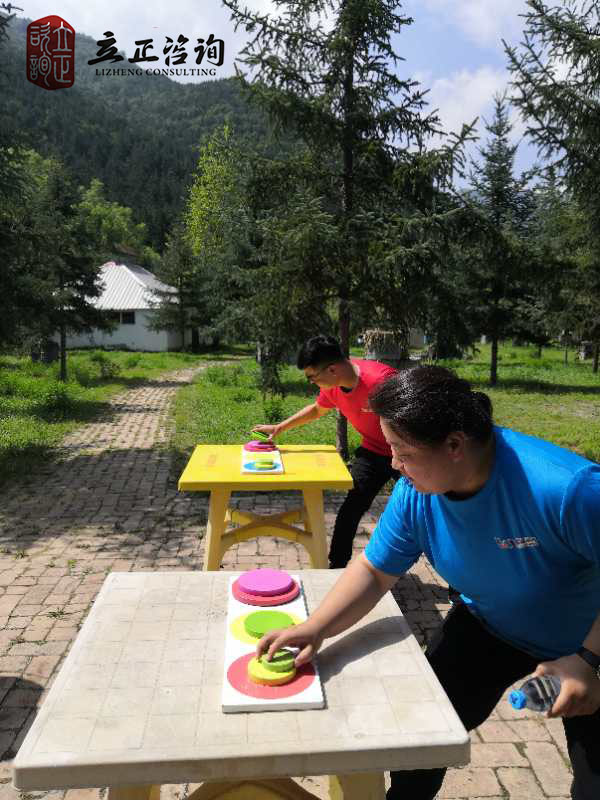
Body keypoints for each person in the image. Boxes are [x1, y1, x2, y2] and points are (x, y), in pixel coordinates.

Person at [256, 365, 600, 800]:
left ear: (455, 445)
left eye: (402, 451)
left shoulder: (567, 489)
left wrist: (586, 659)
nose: (393, 465)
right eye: (390, 449)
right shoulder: (415, 494)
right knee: (420, 743)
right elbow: (374, 571)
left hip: (586, 640)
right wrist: (315, 627)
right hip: (488, 624)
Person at [252, 334, 399, 568]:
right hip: (373, 451)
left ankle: (456, 581)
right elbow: (317, 410)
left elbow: (417, 419)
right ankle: (336, 567)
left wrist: (409, 457)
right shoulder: (334, 387)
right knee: (350, 511)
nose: (312, 382)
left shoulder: (382, 381)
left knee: (431, 511)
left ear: (332, 370)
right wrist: (279, 428)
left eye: (312, 377)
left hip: (409, 454)